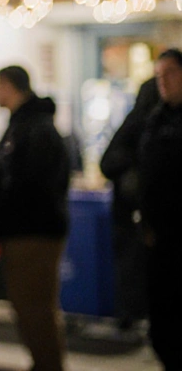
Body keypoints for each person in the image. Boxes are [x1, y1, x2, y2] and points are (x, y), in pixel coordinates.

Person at [0, 66, 69, 371]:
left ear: (10, 86)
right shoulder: (25, 126)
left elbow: (31, 184)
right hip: (24, 230)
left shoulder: (34, 129)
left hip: (33, 233)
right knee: (30, 310)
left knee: (36, 311)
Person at [99, 76, 157, 332]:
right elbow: (108, 163)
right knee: (133, 270)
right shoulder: (141, 124)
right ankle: (131, 318)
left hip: (136, 216)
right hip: (132, 215)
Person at [138, 48, 182, 370]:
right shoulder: (155, 119)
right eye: (158, 76)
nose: (163, 82)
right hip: (160, 238)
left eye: (169, 74)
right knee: (163, 323)